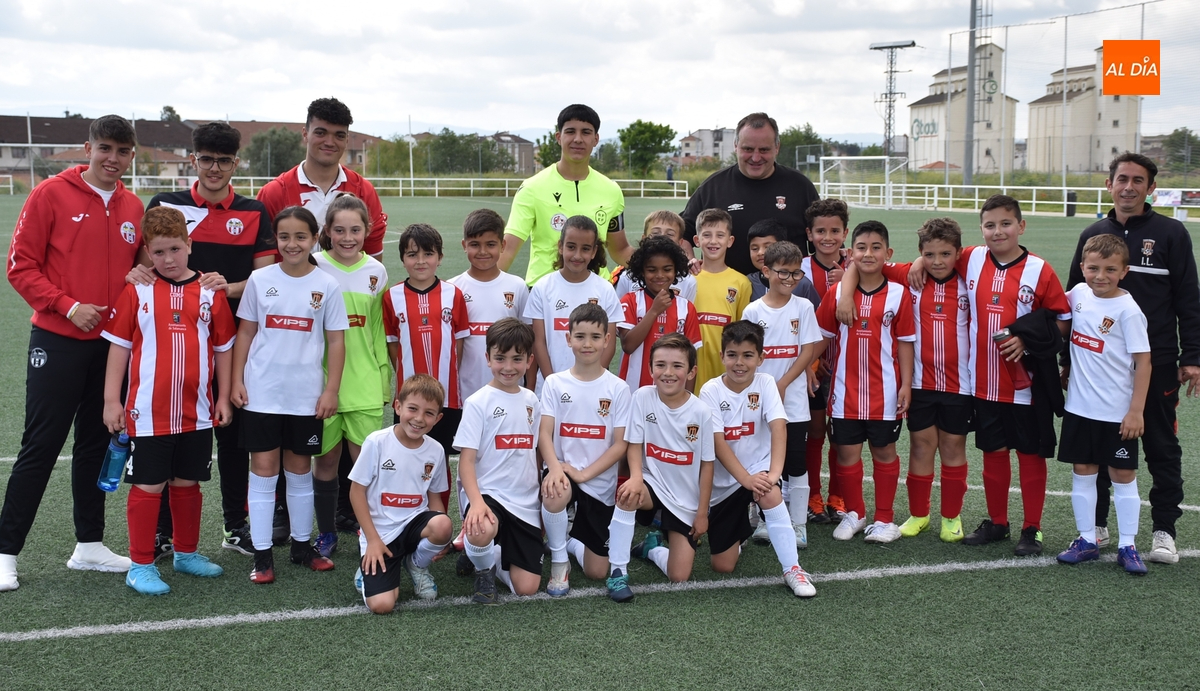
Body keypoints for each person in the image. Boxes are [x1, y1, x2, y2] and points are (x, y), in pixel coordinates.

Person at [1, 115, 143, 591]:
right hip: (58, 341)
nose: (113, 159)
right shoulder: (50, 194)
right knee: (40, 446)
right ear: (88, 147)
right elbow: (20, 267)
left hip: (109, 349)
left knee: (95, 445)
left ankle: (89, 545)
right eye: (105, 148)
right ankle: (5, 551)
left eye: (123, 152)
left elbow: (138, 270)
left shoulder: (132, 206)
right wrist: (68, 306)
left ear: (131, 155)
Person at [133, 121, 276, 559]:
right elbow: (146, 266)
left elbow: (266, 278)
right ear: (194, 160)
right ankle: (162, 534)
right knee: (166, 440)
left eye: (225, 160)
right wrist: (137, 273)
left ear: (236, 163)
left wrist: (226, 289)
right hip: (172, 350)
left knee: (232, 439)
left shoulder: (254, 211)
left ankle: (235, 525)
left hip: (233, 348)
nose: (215, 168)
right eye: (207, 159)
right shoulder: (166, 204)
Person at [909, 195, 1072, 556]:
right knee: (993, 454)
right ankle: (998, 522)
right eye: (989, 225)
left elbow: (1062, 318)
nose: (997, 231)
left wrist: (1027, 343)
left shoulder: (1040, 270)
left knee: (1030, 455)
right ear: (981, 229)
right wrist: (920, 259)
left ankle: (1033, 529)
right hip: (983, 385)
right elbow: (940, 251)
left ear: (1021, 226)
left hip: (1025, 386)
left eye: (1005, 224)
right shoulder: (972, 258)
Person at [1067, 152, 1200, 565]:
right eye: (1121, 178)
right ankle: (1098, 526)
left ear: (1150, 187)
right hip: (1098, 368)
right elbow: (1072, 301)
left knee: (1160, 445)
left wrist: (1191, 356)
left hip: (1154, 361)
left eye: (1137, 180)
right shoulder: (1093, 232)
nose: (1128, 187)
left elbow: (1189, 299)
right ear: (1109, 184)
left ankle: (1163, 530)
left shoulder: (1171, 233)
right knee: (1098, 446)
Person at [101, 207, 236, 594]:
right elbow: (119, 350)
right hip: (147, 412)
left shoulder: (211, 292)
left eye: (175, 249)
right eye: (158, 253)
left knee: (188, 482)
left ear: (189, 245)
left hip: (196, 410)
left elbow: (224, 348)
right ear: (147, 252)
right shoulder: (137, 290)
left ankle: (186, 553)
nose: (168, 260)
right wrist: (112, 401)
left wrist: (223, 397)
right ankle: (140, 564)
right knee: (148, 486)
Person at [231, 206, 348, 583]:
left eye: (301, 236)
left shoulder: (327, 285)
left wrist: (331, 389)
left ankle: (301, 546)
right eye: (284, 237)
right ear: (275, 241)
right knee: (264, 471)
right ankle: (262, 556)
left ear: (315, 239)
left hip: (304, 396)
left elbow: (335, 340)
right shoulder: (259, 279)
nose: (292, 243)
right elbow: (246, 333)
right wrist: (237, 380)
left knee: (299, 471)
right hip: (263, 393)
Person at [837, 218, 973, 542]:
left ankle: (951, 517)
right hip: (921, 383)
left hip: (960, 385)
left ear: (958, 253)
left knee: (953, 447)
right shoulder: (908, 276)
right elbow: (861, 265)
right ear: (919, 254)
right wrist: (844, 296)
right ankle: (919, 514)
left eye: (945, 254)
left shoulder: (971, 277)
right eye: (929, 254)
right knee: (921, 447)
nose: (937, 261)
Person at [1056, 235, 1151, 575]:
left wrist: (1136, 410)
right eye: (1093, 268)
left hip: (1116, 413)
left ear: (1124, 271)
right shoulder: (1078, 294)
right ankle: (1086, 540)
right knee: (1083, 472)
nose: (1100, 276)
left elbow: (1144, 362)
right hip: (1080, 408)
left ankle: (1128, 544)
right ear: (1082, 268)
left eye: (1110, 269)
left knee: (1123, 475)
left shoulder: (1128, 310)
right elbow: (1054, 309)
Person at [700, 320, 816, 598]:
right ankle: (741, 531)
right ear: (722, 356)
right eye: (732, 355)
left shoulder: (766, 384)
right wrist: (746, 480)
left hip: (757, 475)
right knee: (722, 566)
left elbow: (778, 428)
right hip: (725, 483)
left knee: (770, 494)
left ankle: (793, 569)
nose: (739, 363)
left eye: (748, 355)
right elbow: (718, 444)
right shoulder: (710, 390)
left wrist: (773, 475)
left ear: (761, 358)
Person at [815, 221, 915, 544]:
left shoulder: (899, 295)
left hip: (884, 394)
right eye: (861, 247)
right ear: (850, 253)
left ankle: (885, 518)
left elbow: (905, 343)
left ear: (889, 253)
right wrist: (806, 367)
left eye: (875, 248)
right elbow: (821, 338)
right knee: (846, 454)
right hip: (844, 392)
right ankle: (855, 513)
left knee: (884, 452)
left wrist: (906, 385)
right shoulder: (837, 295)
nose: (868, 253)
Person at [605, 333, 716, 599]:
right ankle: (617, 573)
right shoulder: (643, 396)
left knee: (679, 577)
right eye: (660, 365)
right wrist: (634, 477)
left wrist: (702, 512)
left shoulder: (701, 412)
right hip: (651, 483)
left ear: (691, 372)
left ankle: (651, 549)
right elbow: (634, 443)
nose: (668, 373)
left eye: (677, 366)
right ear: (650, 368)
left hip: (683, 498)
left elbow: (707, 465)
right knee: (629, 495)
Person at [311, 194, 391, 558]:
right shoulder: (313, 265)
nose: (347, 237)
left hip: (364, 383)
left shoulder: (376, 272)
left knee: (364, 463)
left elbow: (376, 330)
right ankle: (325, 533)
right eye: (339, 230)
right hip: (320, 384)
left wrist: (382, 378)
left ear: (367, 231)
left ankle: (368, 532)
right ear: (327, 231)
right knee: (326, 461)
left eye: (355, 230)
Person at [538, 304, 632, 596]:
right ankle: (558, 561)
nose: (587, 344)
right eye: (580, 336)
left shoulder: (618, 388)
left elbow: (621, 445)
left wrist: (584, 474)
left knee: (596, 572)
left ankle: (567, 541)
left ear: (607, 340)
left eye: (595, 336)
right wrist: (555, 467)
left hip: (597, 479)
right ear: (568, 339)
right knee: (554, 492)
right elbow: (544, 433)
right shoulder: (554, 383)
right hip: (562, 469)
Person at [453, 318, 543, 604]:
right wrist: (476, 503)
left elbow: (536, 450)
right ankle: (483, 568)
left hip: (524, 501)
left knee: (526, 588)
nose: (508, 367)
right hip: (488, 493)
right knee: (481, 527)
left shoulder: (532, 400)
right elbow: (465, 462)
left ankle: (485, 554)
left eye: (517, 359)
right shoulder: (478, 402)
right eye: (500, 358)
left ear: (529, 360)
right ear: (487, 358)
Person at [381, 223, 469, 513]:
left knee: (439, 458)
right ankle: (407, 515)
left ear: (440, 258)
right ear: (402, 259)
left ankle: (438, 518)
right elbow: (394, 346)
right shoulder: (391, 297)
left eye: (428, 254)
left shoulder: (453, 295)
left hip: (447, 398)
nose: (420, 261)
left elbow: (457, 345)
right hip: (410, 399)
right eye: (412, 254)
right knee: (406, 456)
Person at [741, 241, 823, 545]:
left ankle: (798, 524)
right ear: (766, 271)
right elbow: (747, 354)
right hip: (759, 402)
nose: (789, 280)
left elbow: (807, 351)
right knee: (762, 460)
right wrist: (760, 389)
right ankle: (764, 520)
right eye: (782, 273)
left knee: (795, 462)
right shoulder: (753, 310)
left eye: (795, 274)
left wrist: (784, 383)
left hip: (794, 400)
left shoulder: (802, 307)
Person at [350, 374, 453, 612]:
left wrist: (442, 537)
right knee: (383, 605)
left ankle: (416, 564)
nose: (419, 419)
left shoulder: (435, 450)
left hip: (412, 525)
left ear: (438, 418)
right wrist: (373, 540)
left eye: (428, 413)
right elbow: (356, 493)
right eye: (413, 409)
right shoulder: (377, 442)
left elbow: (435, 497)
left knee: (443, 525)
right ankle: (368, 560)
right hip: (380, 534)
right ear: (398, 406)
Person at [500, 104, 632, 286]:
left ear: (596, 139)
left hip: (597, 294)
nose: (578, 139)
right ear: (558, 137)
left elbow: (620, 250)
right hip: (543, 294)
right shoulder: (532, 188)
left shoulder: (611, 190)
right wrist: (482, 286)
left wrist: (662, 264)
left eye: (586, 132)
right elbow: (507, 250)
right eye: (570, 131)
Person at [681, 112, 820, 276]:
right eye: (748, 149)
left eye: (764, 150)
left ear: (777, 147)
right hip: (728, 297)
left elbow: (824, 235)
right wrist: (689, 261)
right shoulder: (713, 187)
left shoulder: (800, 186)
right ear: (735, 146)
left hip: (788, 295)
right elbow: (682, 234)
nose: (755, 157)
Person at [257, 97, 387, 260]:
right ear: (305, 134)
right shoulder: (273, 193)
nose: (330, 142)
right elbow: (263, 264)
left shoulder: (364, 191)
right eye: (321, 133)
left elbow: (372, 265)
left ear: (347, 140)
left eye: (339, 135)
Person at [524, 215, 623, 394]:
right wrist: (553, 382)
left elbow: (609, 345)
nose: (577, 255)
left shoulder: (605, 289)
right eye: (571, 247)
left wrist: (590, 381)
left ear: (593, 252)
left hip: (593, 388)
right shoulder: (542, 288)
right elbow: (538, 342)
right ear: (561, 247)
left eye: (585, 249)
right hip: (550, 388)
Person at [800, 199, 851, 522]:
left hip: (850, 366)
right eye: (821, 231)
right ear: (809, 233)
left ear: (845, 232)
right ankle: (814, 495)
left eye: (834, 230)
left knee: (842, 434)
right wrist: (812, 361)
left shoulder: (858, 266)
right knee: (815, 430)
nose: (828, 237)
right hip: (814, 365)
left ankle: (838, 495)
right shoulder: (801, 268)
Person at [448, 208, 531, 403]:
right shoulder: (452, 288)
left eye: (490, 244)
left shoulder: (517, 286)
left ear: (502, 245)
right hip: (465, 393)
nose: (483, 251)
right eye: (475, 244)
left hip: (510, 391)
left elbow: (529, 342)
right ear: (464, 245)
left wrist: (531, 385)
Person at [617, 235, 702, 392]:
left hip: (673, 395)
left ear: (676, 271)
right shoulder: (630, 301)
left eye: (667, 269)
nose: (660, 275)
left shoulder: (686, 308)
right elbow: (628, 345)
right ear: (641, 271)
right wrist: (654, 311)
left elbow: (691, 358)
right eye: (651, 270)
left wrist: (688, 398)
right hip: (632, 391)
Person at [692, 208, 751, 390]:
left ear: (730, 241)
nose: (713, 241)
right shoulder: (687, 279)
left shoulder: (741, 282)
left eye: (720, 235)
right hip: (691, 364)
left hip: (724, 365)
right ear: (697, 240)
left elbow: (743, 329)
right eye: (707, 235)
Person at [611, 210, 697, 302]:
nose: (662, 237)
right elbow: (621, 312)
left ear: (680, 242)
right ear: (644, 238)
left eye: (670, 234)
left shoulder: (688, 281)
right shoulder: (626, 277)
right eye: (655, 233)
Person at [745, 218, 821, 305]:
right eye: (755, 248)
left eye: (767, 247)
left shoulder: (802, 284)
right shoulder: (747, 283)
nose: (760, 252)